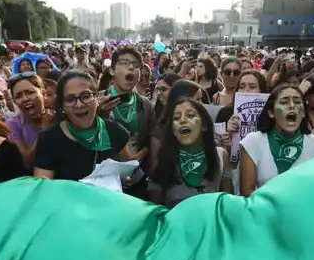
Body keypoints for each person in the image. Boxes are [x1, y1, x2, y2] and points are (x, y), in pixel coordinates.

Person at [33, 70, 134, 182]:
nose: (79, 104)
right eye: (70, 99)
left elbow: (129, 171)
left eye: (86, 96)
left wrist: (124, 179)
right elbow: (43, 186)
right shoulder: (48, 139)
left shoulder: (115, 131)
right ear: (62, 105)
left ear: (96, 98)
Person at [238, 83, 314, 196]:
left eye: (297, 102)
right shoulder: (253, 142)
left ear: (303, 113)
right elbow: (247, 193)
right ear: (271, 113)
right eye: (284, 102)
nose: (292, 106)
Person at [148, 98, 231, 207]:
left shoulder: (221, 156)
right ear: (173, 130)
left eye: (190, 115)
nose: (182, 120)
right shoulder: (164, 160)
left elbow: (228, 205)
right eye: (176, 118)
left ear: (204, 126)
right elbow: (155, 212)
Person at [100, 46, 156, 199]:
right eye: (124, 62)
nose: (131, 67)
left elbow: (151, 139)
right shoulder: (97, 101)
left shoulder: (146, 105)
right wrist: (99, 115)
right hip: (103, 181)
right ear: (112, 70)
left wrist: (140, 156)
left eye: (136, 65)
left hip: (136, 179)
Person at [6, 72, 54, 168]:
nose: (25, 99)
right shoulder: (12, 124)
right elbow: (27, 162)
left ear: (43, 94)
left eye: (30, 92)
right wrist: (44, 130)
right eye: (18, 96)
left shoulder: (57, 117)